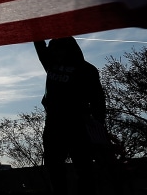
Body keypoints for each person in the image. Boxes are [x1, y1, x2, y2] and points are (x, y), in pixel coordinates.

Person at [34, 37, 106, 195]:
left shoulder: (87, 70)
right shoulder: (51, 63)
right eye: (52, 50)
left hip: (78, 125)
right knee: (53, 166)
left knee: (84, 168)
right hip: (53, 125)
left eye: (57, 50)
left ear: (67, 49)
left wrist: (98, 125)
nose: (54, 53)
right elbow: (39, 45)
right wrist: (32, 22)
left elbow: (98, 100)